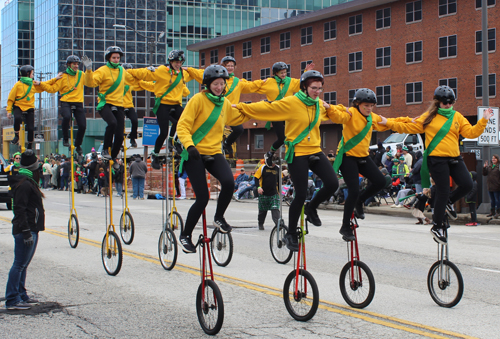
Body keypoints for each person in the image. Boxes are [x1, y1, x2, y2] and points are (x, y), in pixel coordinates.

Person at [234, 70, 348, 251]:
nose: (317, 91)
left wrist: (347, 111)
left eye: (320, 88)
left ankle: (312, 208)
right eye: (313, 88)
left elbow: (336, 114)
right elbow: (268, 108)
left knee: (333, 183)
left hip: (315, 150)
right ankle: (291, 233)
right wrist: (241, 107)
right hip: (297, 153)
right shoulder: (292, 102)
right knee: (300, 194)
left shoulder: (319, 105)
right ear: (304, 87)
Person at [378, 85, 493, 243]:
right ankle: (437, 226)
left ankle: (449, 203)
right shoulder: (429, 117)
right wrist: (388, 123)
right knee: (443, 190)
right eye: (444, 103)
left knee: (467, 184)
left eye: (450, 103)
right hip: (437, 159)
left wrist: (484, 120)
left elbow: (471, 133)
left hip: (454, 157)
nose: (447, 105)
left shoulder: (457, 116)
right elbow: (407, 125)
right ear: (438, 102)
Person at [176, 65, 253, 254]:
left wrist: (257, 109)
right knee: (202, 198)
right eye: (215, 84)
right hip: (194, 153)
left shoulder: (225, 103)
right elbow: (183, 126)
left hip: (214, 152)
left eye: (222, 84)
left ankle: (219, 217)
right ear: (208, 84)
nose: (219, 87)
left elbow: (236, 118)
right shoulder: (197, 100)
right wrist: (189, 145)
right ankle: (185, 235)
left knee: (228, 182)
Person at [333, 88, 395, 241]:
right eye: (365, 105)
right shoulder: (350, 114)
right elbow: (337, 114)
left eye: (371, 106)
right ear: (357, 104)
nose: (369, 108)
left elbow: (390, 122)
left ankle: (361, 200)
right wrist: (327, 107)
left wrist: (410, 122)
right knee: (353, 190)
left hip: (362, 156)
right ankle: (345, 226)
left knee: (381, 181)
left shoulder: (372, 118)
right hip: (348, 157)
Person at [127, 50, 194, 169]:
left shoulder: (183, 73)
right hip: (163, 104)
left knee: (186, 120)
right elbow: (143, 73)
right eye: (175, 62)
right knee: (163, 132)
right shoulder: (161, 71)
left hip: (175, 104)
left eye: (180, 62)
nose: (178, 64)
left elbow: (197, 74)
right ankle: (155, 154)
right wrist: (126, 71)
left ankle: (175, 140)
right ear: (170, 61)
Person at [5, 149, 45, 310]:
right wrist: (27, 232)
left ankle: (21, 294)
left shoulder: (27, 182)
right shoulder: (25, 184)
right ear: (33, 168)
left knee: (23, 265)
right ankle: (12, 299)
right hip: (25, 230)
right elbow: (19, 209)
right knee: (19, 264)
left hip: (31, 228)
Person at [82, 47, 135, 167]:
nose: (116, 60)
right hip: (105, 103)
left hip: (119, 104)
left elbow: (133, 79)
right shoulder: (102, 70)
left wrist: (152, 74)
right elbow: (90, 83)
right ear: (108, 58)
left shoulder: (122, 70)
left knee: (120, 135)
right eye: (114, 58)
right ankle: (105, 149)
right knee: (112, 123)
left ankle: (114, 157)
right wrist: (89, 70)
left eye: (118, 58)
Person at [254, 61, 315, 161]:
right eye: (281, 72)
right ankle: (270, 152)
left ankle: (304, 151)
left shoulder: (290, 81)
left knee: (298, 131)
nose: (284, 74)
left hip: (288, 113)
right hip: (276, 113)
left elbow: (302, 82)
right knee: (282, 138)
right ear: (275, 73)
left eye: (285, 72)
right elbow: (253, 87)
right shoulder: (269, 82)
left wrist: (306, 72)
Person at [41, 55, 88, 154]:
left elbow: (90, 81)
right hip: (66, 101)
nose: (76, 66)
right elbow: (52, 89)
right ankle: (65, 138)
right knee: (66, 117)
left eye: (77, 64)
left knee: (83, 125)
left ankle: (78, 144)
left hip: (78, 102)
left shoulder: (81, 74)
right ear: (68, 65)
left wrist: (89, 69)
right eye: (74, 64)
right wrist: (41, 84)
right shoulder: (62, 76)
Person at [6, 66, 46, 149]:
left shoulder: (33, 84)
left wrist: (40, 83)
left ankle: (30, 144)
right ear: (28, 74)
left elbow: (43, 87)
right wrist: (9, 110)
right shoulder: (18, 84)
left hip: (29, 107)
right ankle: (16, 135)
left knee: (31, 127)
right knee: (17, 118)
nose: (33, 75)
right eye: (32, 73)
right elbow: (11, 98)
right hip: (19, 105)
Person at [254, 157, 281, 230]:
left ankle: (278, 225)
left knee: (275, 209)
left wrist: (279, 191)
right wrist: (258, 187)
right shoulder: (263, 167)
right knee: (262, 211)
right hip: (263, 193)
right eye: (272, 162)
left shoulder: (278, 168)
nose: (273, 164)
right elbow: (256, 178)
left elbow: (279, 181)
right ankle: (260, 224)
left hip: (274, 193)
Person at [121, 63, 141, 148]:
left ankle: (132, 138)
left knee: (135, 120)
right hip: (120, 105)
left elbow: (140, 85)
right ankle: (120, 141)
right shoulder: (119, 81)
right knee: (120, 124)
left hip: (129, 105)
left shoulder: (131, 82)